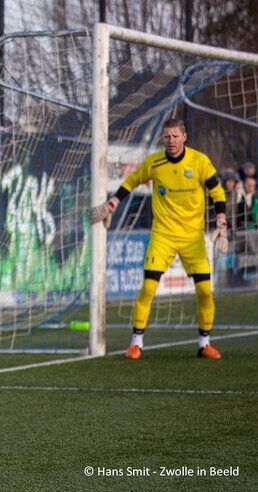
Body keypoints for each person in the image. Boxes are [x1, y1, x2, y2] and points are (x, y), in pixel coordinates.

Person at [90, 119, 227, 360]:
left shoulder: (199, 161)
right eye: (167, 137)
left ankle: (204, 344)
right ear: (162, 139)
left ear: (184, 137)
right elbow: (131, 181)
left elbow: (217, 190)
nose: (171, 141)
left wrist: (222, 222)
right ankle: (136, 343)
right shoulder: (154, 162)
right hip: (162, 236)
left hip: (192, 239)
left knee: (205, 291)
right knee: (148, 289)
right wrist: (112, 203)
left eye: (175, 136)